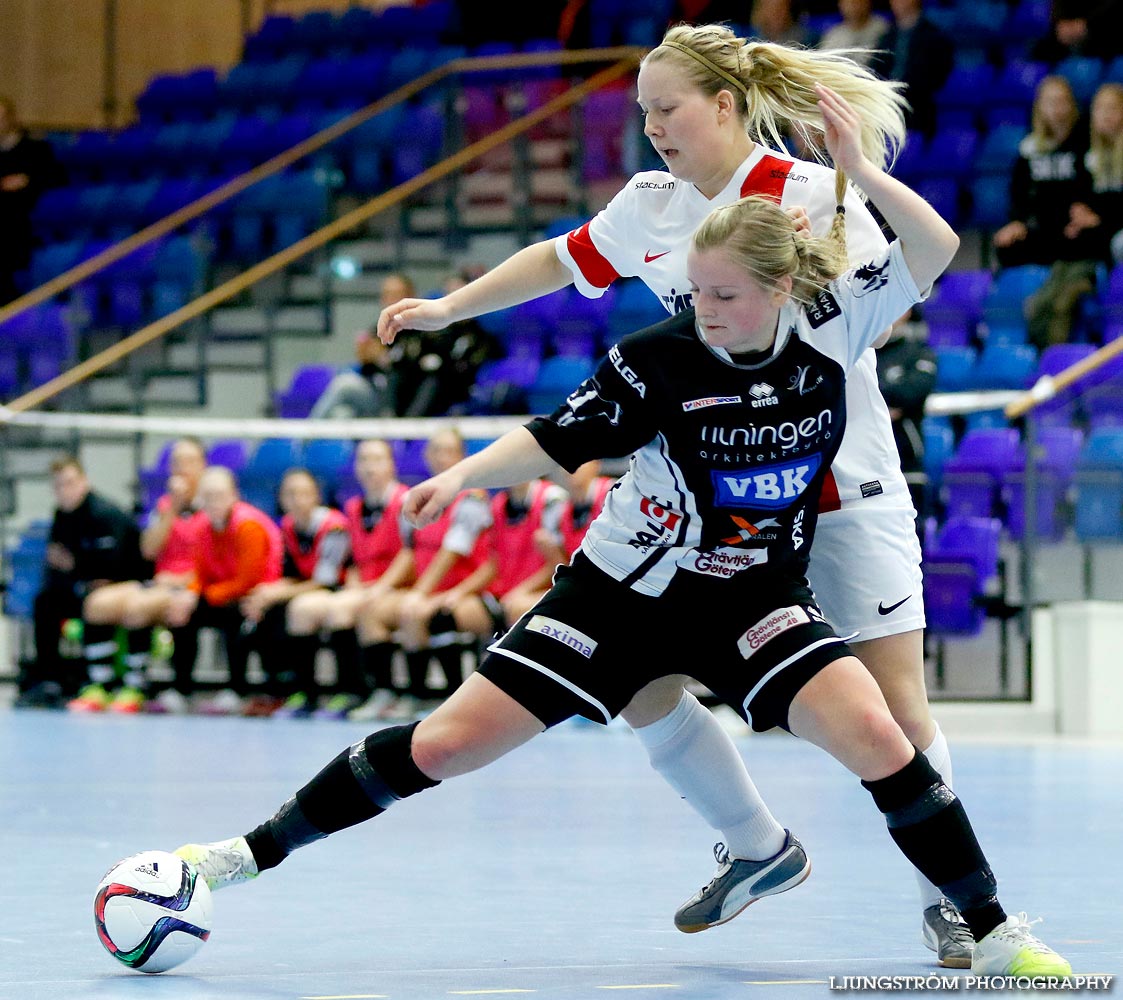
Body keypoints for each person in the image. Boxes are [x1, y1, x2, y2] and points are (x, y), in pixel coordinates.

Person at [174, 90, 1071, 978]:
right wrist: (452, 477)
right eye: (694, 291)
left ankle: (988, 933)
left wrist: (862, 172)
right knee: (442, 745)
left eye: (721, 294)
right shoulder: (655, 356)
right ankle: (238, 857)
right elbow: (551, 439)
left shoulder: (833, 331)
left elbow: (936, 247)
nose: (700, 308)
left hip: (752, 593)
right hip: (621, 595)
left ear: (783, 290)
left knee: (882, 734)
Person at [376, 25, 971, 966]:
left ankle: (950, 900)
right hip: (707, 504)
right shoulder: (650, 202)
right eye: (642, 111)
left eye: (667, 108)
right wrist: (448, 308)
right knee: (641, 678)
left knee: (895, 707)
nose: (651, 127)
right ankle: (756, 849)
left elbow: (898, 284)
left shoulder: (808, 197)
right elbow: (558, 258)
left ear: (725, 106)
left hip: (836, 486)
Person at [352, 427, 496, 722]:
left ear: (461, 456)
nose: (442, 458)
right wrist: (382, 588)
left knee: (416, 611)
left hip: (470, 591)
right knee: (369, 609)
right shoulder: (422, 496)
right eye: (436, 451)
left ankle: (431, 697)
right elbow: (409, 549)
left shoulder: (472, 498)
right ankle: (385, 693)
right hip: (430, 589)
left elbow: (452, 550)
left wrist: (420, 593)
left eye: (449, 451)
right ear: (426, 456)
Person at [78, 436, 208, 713]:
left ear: (202, 466)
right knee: (97, 603)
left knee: (137, 608)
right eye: (176, 463)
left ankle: (135, 686)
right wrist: (172, 507)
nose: (181, 468)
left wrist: (185, 578)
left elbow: (216, 557)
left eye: (188, 462)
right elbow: (148, 550)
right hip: (159, 581)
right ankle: (101, 685)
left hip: (192, 585)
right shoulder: (164, 506)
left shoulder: (211, 505)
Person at [285, 439, 409, 721]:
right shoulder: (353, 508)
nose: (369, 467)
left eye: (377, 459)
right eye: (363, 460)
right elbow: (351, 558)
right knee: (301, 609)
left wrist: (381, 587)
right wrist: (354, 582)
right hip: (361, 585)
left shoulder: (405, 501)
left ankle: (357, 691)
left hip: (395, 585)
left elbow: (410, 554)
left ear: (391, 465)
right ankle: (307, 694)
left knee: (341, 609)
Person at [14, 456, 145, 710]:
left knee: (97, 600)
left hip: (122, 587)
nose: (64, 491)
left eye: (69, 483)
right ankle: (50, 678)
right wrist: (75, 571)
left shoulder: (106, 514)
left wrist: (75, 565)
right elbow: (57, 562)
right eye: (58, 486)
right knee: (46, 601)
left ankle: (104, 682)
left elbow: (112, 568)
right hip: (83, 585)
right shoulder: (62, 515)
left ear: (84, 481)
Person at [154, 466, 283, 715]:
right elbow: (200, 573)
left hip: (256, 594)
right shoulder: (202, 528)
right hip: (221, 593)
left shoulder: (248, 526)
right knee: (181, 611)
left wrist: (205, 595)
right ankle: (180, 690)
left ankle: (236, 691)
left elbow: (248, 580)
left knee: (234, 613)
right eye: (208, 496)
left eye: (220, 495)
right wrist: (190, 595)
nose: (214, 502)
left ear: (234, 495)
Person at [994, 76, 1098, 349]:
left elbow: (1097, 185)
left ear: (1072, 105)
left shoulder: (1086, 142)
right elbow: (1018, 194)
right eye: (1050, 102)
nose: (1057, 109)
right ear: (1040, 107)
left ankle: (1075, 286)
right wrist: (1016, 222)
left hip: (1075, 231)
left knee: (1085, 243)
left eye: (1062, 101)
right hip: (1042, 230)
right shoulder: (1030, 148)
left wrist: (1088, 212)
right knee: (1007, 247)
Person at [238, 468, 350, 719]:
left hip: (338, 589)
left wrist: (279, 594)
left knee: (296, 608)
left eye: (303, 493)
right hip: (306, 588)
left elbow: (326, 579)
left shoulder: (334, 527)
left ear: (316, 496)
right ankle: (281, 689)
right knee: (259, 606)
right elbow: (290, 574)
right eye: (290, 494)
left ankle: (335, 692)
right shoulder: (288, 526)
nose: (297, 500)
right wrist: (267, 592)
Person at [0, 95, 65, 304]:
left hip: (25, 221)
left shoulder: (36, 150)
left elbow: (56, 179)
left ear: (11, 118)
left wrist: (26, 181)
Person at [876, 307, 937, 521]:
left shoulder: (919, 353)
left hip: (908, 461)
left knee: (913, 537)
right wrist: (886, 406)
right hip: (870, 462)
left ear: (907, 312)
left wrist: (875, 404)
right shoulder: (862, 355)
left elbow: (911, 393)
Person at [866, 0, 953, 138]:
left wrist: (899, 90)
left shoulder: (933, 35)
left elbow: (934, 76)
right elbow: (875, 67)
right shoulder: (888, 35)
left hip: (917, 105)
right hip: (887, 101)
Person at [1074, 83, 1123, 268]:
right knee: (1073, 236)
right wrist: (1080, 212)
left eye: (1112, 108)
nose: (1106, 114)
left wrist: (1100, 220)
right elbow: (1080, 194)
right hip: (1101, 226)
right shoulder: (1085, 152)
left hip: (1115, 227)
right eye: (1100, 109)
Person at [816, 0, 890, 66]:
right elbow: (822, 64)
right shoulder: (834, 33)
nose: (853, 6)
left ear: (868, 2)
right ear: (840, 5)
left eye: (857, 1)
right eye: (848, 2)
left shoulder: (882, 28)